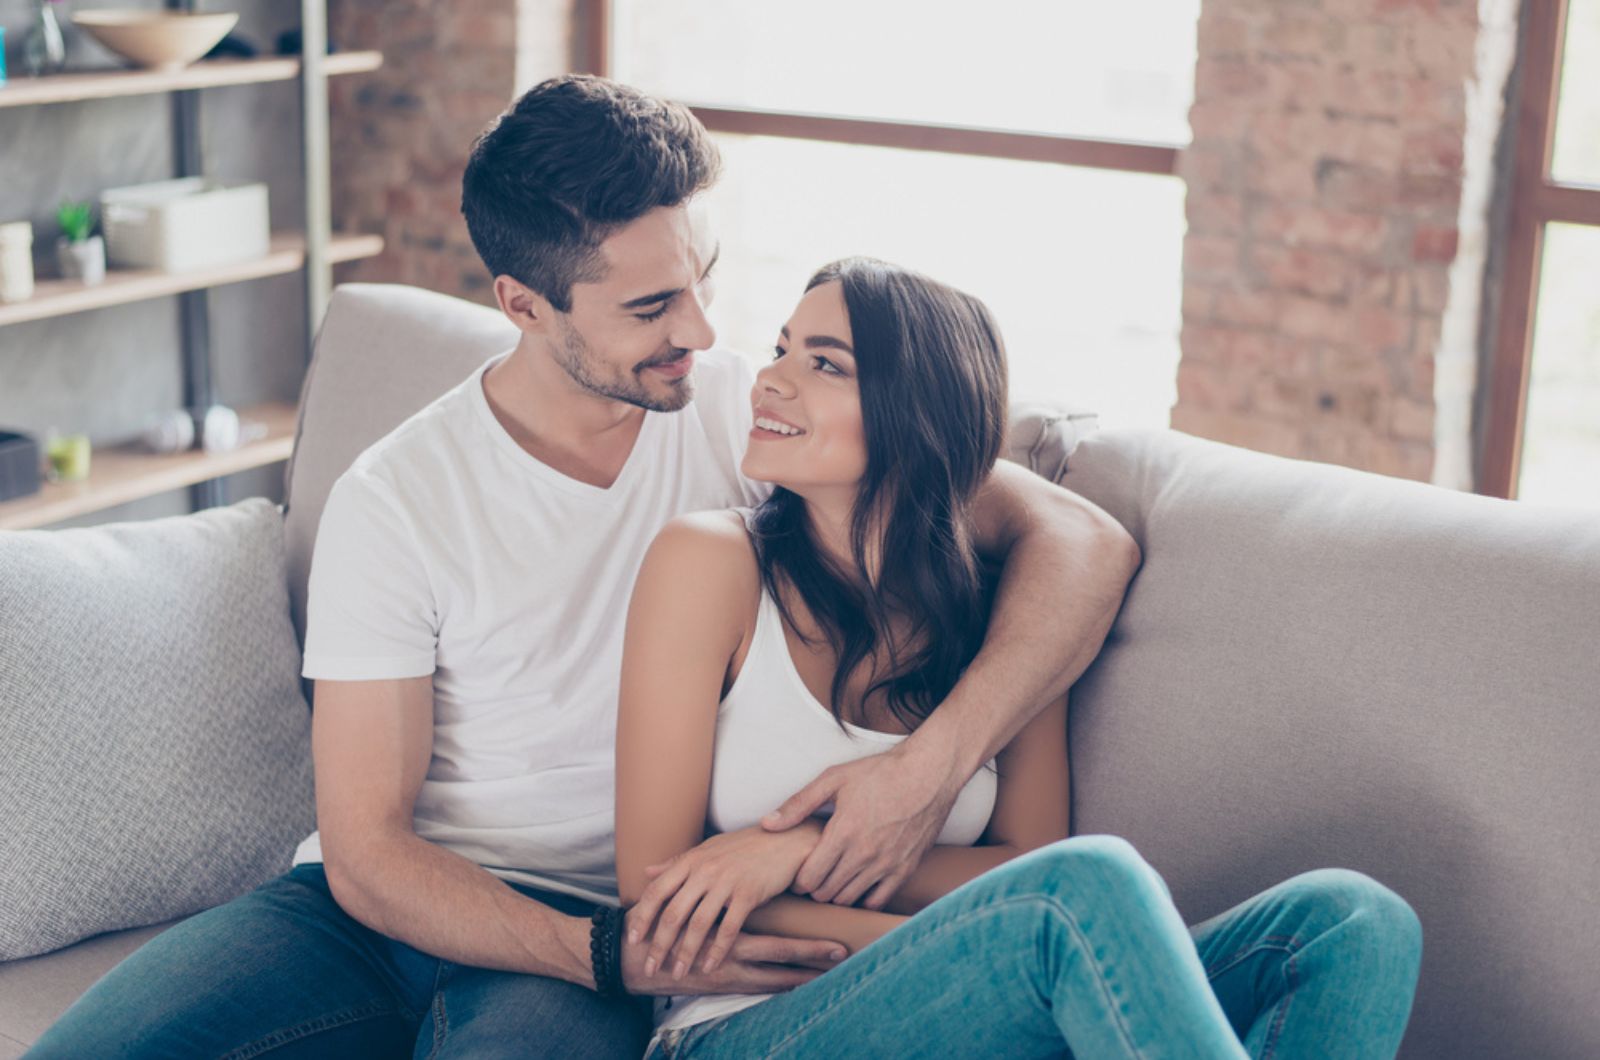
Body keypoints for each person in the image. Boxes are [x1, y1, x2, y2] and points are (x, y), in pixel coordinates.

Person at [27, 78, 1139, 1058]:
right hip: (408, 916)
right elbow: (369, 849)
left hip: (619, 913)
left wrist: (926, 768)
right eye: (651, 307)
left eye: (700, 280)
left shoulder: (747, 419)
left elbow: (1083, 543)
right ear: (521, 303)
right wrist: (605, 954)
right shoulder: (400, 497)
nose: (701, 331)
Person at [614, 257, 1424, 1058]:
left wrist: (792, 853)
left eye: (825, 364)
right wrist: (963, 949)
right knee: (1085, 887)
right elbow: (656, 894)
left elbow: (1023, 863)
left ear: (919, 417)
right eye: (782, 348)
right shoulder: (711, 562)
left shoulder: (1007, 614)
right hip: (738, 1028)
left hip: (987, 1003)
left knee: (1352, 922)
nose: (771, 380)